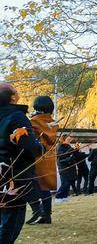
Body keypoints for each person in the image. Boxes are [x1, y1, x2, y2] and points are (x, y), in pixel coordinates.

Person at [0, 83, 45, 243]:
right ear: (12, 97)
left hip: (3, 173)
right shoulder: (16, 116)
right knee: (12, 220)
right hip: (15, 175)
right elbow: (29, 147)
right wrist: (41, 147)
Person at [26, 95, 58, 225]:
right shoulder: (53, 124)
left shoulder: (32, 122)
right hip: (49, 158)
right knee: (45, 188)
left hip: (35, 157)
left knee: (28, 185)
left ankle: (38, 212)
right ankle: (47, 215)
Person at [55, 134, 77, 202]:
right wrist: (70, 157)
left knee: (68, 183)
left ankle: (64, 197)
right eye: (68, 140)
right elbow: (61, 156)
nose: (69, 141)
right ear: (63, 139)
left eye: (70, 140)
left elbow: (73, 153)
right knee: (65, 183)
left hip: (70, 167)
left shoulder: (68, 146)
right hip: (64, 167)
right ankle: (58, 197)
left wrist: (76, 149)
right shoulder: (59, 146)